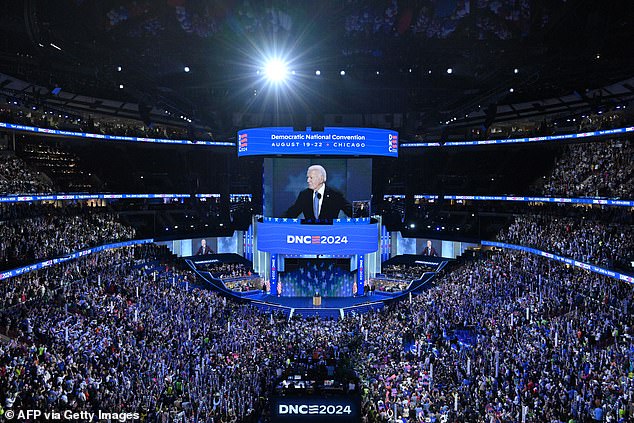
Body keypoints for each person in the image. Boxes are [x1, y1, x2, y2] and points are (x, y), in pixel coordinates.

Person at [284, 165, 352, 219]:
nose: (308, 180)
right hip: (310, 232)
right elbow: (292, 213)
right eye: (307, 177)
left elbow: (350, 211)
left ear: (321, 179)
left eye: (311, 178)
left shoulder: (335, 194)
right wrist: (276, 222)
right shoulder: (304, 195)